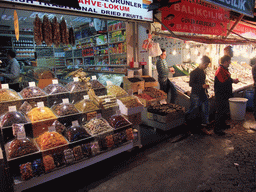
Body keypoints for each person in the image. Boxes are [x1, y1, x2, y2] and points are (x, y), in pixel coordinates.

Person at [186, 55, 212, 135]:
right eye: (206, 64)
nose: (206, 66)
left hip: (203, 94)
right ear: (202, 63)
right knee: (193, 111)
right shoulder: (193, 72)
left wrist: (206, 90)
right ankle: (189, 127)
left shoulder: (203, 72)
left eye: (207, 65)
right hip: (195, 95)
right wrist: (201, 86)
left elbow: (202, 83)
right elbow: (191, 84)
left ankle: (203, 127)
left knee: (205, 111)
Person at [214, 55, 239, 136]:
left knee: (224, 110)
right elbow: (223, 82)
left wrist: (232, 80)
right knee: (220, 111)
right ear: (225, 62)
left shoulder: (224, 70)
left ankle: (222, 125)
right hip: (221, 95)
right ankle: (217, 129)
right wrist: (232, 81)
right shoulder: (220, 70)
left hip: (225, 94)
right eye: (229, 62)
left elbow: (227, 79)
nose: (230, 63)